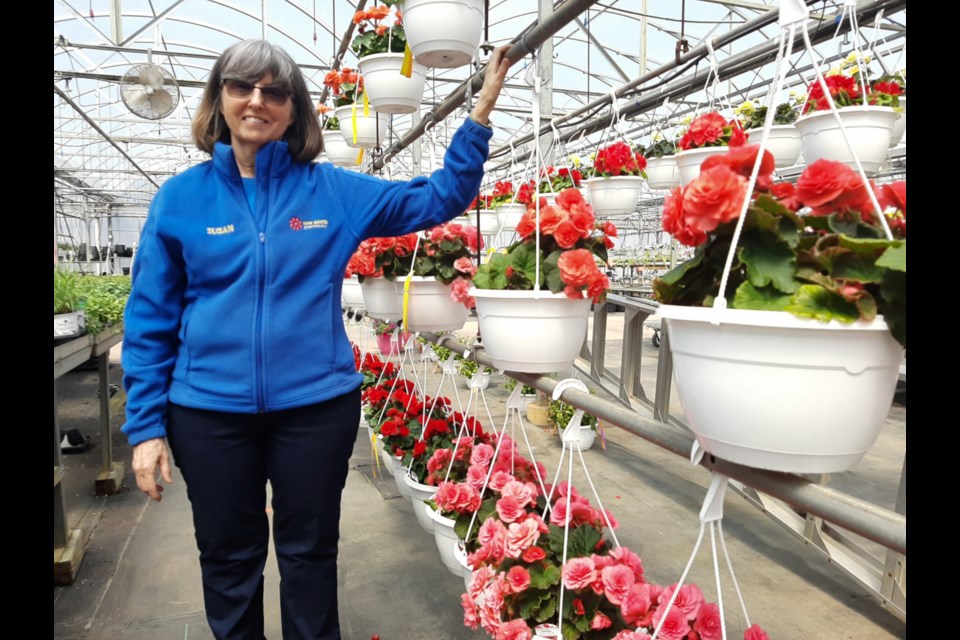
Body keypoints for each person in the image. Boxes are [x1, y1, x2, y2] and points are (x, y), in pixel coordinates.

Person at [121, 39, 512, 640]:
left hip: (314, 409)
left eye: (275, 91)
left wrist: (481, 108)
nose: (257, 101)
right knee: (228, 558)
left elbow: (438, 198)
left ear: (294, 108)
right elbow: (149, 319)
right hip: (207, 414)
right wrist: (146, 428)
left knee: (309, 554)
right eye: (241, 87)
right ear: (218, 98)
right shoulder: (179, 200)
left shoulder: (331, 192)